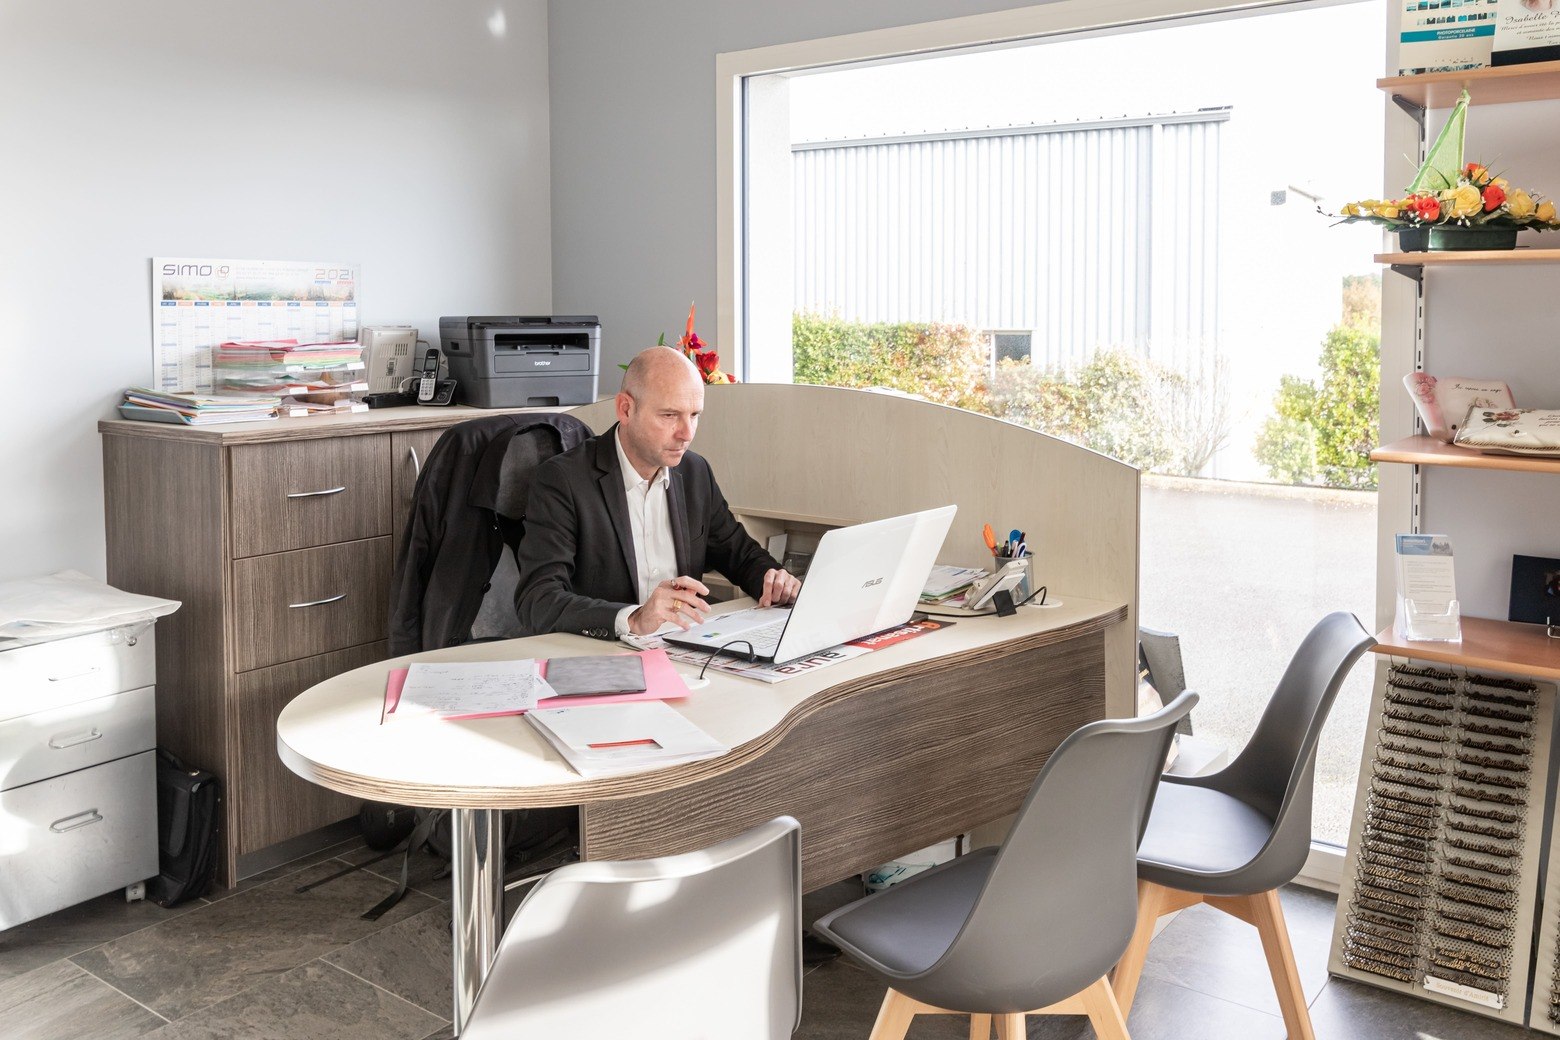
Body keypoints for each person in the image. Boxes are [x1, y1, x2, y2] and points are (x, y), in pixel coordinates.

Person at [514, 346, 801, 639]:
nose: (686, 433)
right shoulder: (563, 480)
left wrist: (773, 581)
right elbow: (538, 601)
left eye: (694, 415)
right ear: (626, 409)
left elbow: (739, 554)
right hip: (603, 653)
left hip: (682, 645)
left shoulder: (694, 472)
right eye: (670, 415)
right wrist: (634, 618)